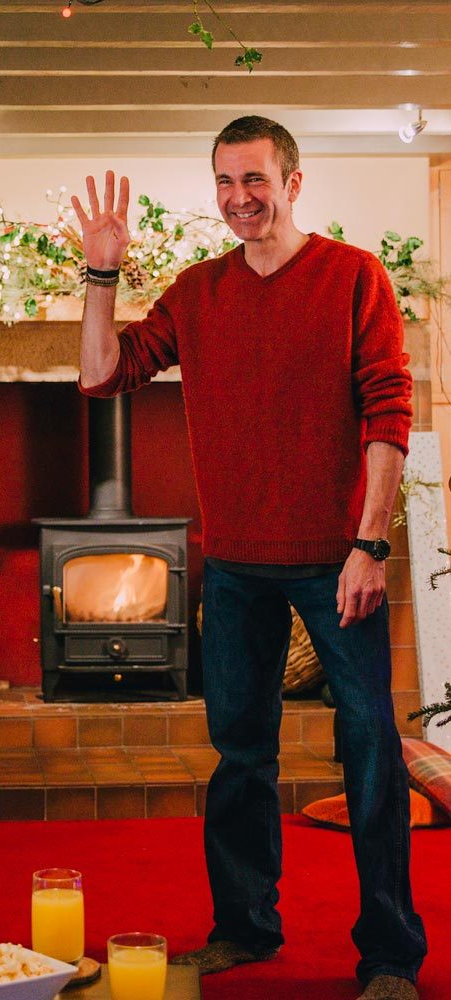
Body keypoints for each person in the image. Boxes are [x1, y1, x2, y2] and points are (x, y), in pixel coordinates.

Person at [72, 116, 426, 1000]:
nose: (240, 199)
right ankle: (244, 927)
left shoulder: (352, 277)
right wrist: (102, 274)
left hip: (335, 560)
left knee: (373, 749)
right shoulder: (198, 292)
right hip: (234, 564)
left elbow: (389, 413)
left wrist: (369, 543)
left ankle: (390, 951)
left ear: (294, 183)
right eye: (226, 182)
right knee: (240, 756)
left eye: (256, 180)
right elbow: (99, 374)